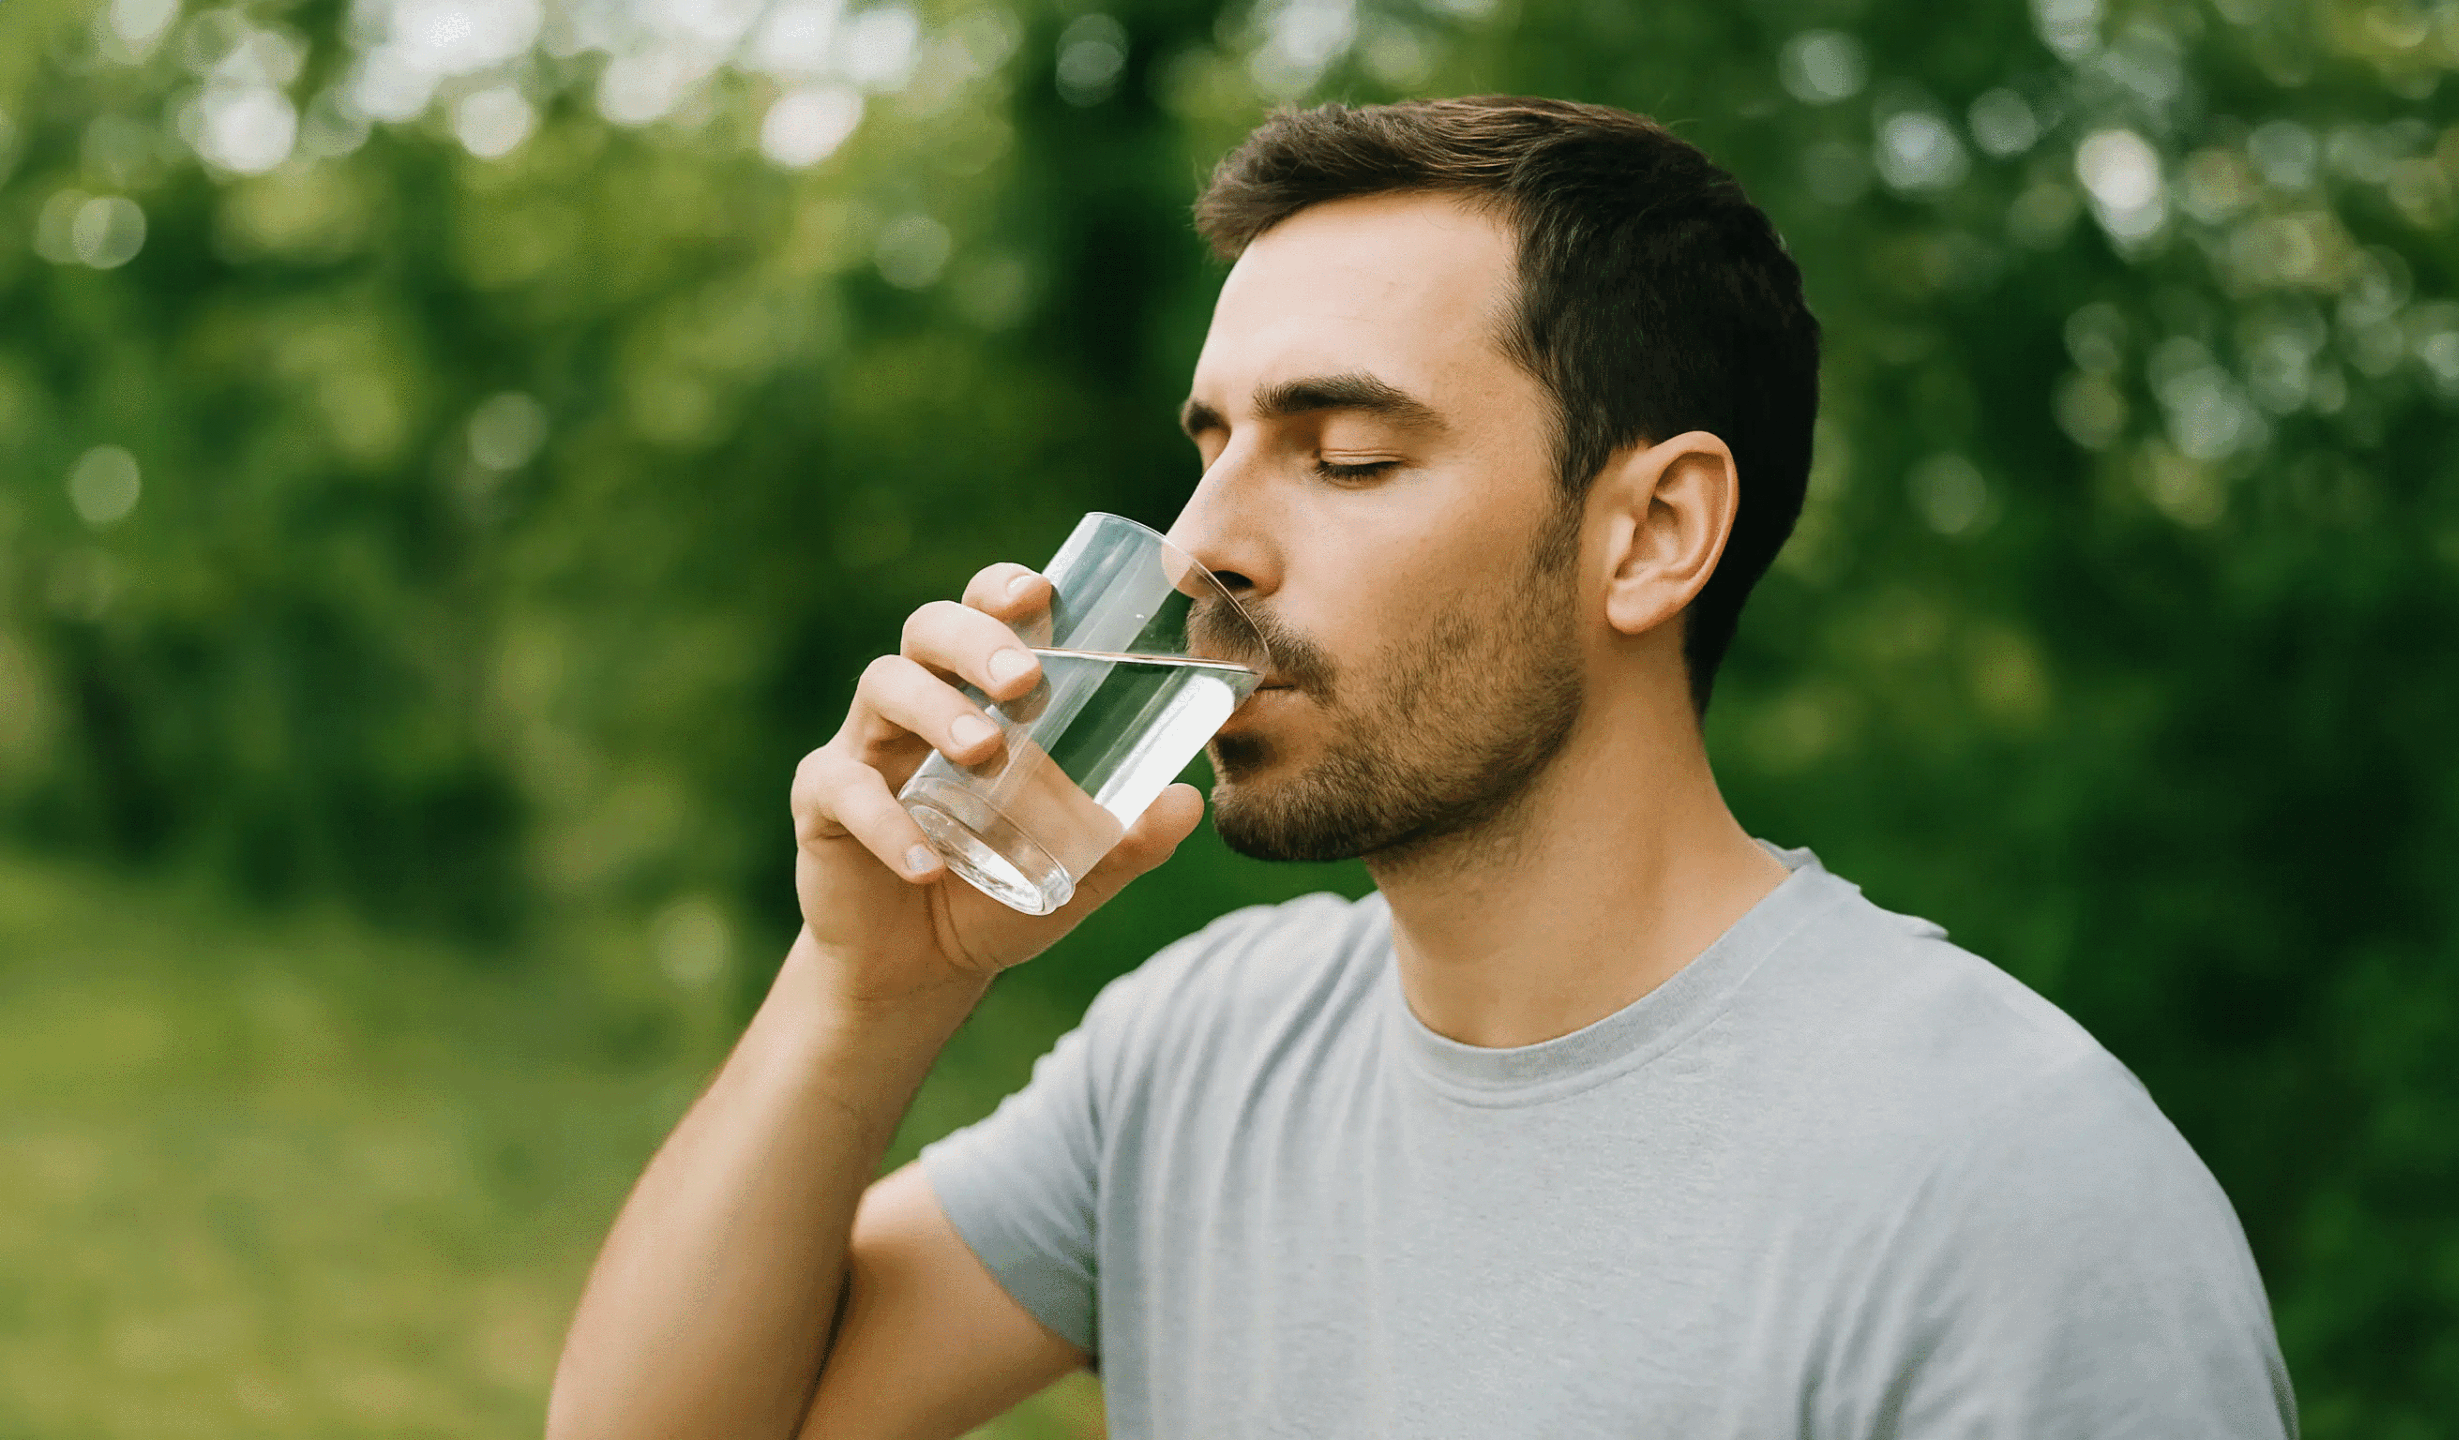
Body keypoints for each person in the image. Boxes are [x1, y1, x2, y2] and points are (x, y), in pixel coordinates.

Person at [547, 97, 2298, 1440]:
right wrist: (862, 994)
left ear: (1653, 535)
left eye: (1351, 455)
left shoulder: (2012, 1190)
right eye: (1212, 448)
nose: (1200, 546)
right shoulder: (1205, 1053)